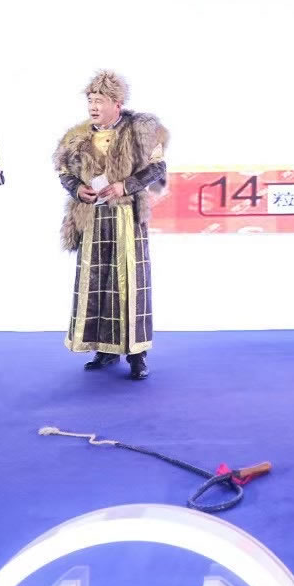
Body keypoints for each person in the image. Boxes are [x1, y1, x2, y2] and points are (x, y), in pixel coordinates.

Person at [54, 70, 169, 379]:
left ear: (117, 103)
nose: (93, 106)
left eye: (100, 100)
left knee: (129, 284)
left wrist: (125, 185)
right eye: (91, 100)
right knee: (97, 284)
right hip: (92, 218)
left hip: (126, 216)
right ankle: (104, 349)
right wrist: (78, 189)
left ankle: (137, 355)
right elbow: (64, 173)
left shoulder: (140, 130)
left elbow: (157, 167)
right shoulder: (77, 137)